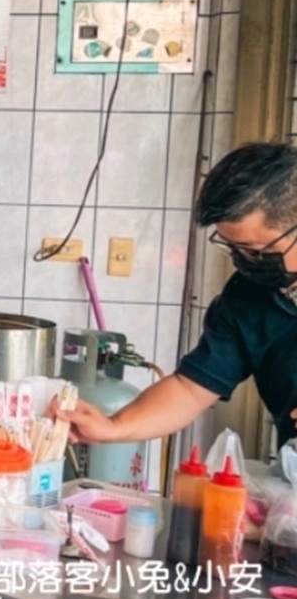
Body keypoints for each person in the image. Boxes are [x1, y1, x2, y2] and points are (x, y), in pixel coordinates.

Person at [61, 142, 297, 452]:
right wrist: (113, 427)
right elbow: (190, 389)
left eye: (258, 251)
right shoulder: (247, 297)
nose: (246, 261)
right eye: (234, 248)